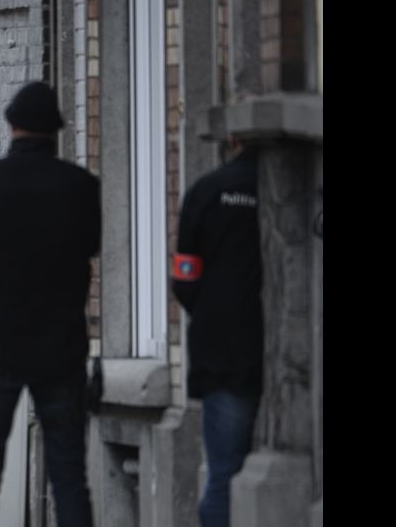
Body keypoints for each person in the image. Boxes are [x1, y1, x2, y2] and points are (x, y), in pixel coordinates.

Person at [0, 81, 100, 527]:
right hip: (60, 346)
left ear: (12, 124)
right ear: (56, 130)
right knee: (70, 476)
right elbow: (90, 244)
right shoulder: (81, 188)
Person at [172, 140, 263, 527]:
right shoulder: (293, 189)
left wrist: (215, 314)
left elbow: (184, 278)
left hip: (225, 353)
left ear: (235, 141)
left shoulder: (206, 192)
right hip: (289, 355)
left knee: (223, 474)